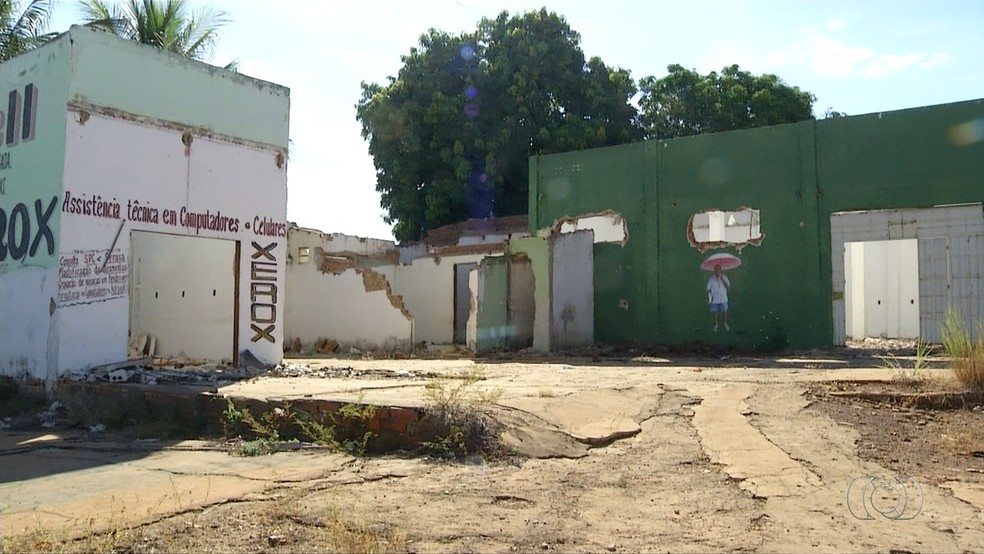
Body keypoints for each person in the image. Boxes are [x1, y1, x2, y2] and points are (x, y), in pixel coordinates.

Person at [706, 263, 731, 332]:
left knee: (725, 311)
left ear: (720, 270)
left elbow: (728, 286)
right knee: (715, 312)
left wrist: (722, 279)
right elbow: (708, 289)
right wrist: (710, 296)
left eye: (718, 269)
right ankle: (716, 325)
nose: (717, 271)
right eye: (716, 269)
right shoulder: (711, 279)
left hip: (723, 298)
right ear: (714, 270)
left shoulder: (724, 277)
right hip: (715, 299)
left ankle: (725, 323)